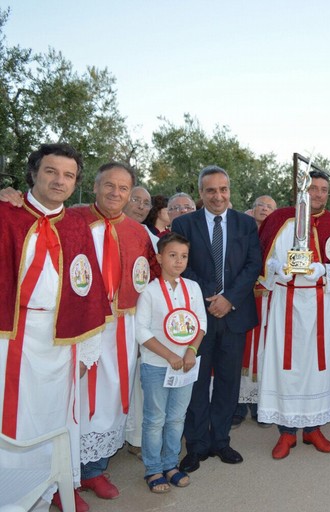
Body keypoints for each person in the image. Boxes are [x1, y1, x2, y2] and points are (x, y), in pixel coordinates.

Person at [0, 143, 110, 512]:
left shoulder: (77, 224)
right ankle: (10, 495)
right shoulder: (6, 213)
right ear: (33, 173)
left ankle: (55, 488)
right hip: (12, 335)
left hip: (62, 339)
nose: (59, 181)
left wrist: (89, 352)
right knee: (11, 419)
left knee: (57, 419)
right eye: (51, 171)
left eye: (68, 175)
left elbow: (89, 289)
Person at [71, 162, 160, 504]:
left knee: (110, 395)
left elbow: (152, 276)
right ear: (94, 186)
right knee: (74, 397)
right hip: (79, 324)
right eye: (109, 185)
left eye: (123, 188)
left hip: (121, 325)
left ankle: (94, 469)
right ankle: (65, 475)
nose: (116, 193)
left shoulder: (138, 233)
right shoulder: (73, 220)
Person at [258, 171, 330, 459]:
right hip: (284, 305)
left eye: (323, 190)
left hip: (322, 306)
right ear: (301, 190)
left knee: (318, 367)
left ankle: (313, 428)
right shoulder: (279, 219)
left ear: (328, 194)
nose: (317, 194)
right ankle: (286, 433)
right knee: (284, 367)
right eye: (312, 188)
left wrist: (324, 270)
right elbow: (261, 259)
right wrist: (278, 267)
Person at [172, 165, 262, 473]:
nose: (218, 195)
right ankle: (196, 445)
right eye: (211, 190)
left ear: (229, 191)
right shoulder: (184, 223)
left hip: (234, 314)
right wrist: (212, 296)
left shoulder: (245, 224)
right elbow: (180, 264)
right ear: (200, 193)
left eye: (223, 189)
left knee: (228, 380)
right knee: (195, 382)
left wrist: (229, 299)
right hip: (198, 315)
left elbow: (253, 265)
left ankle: (221, 440)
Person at [135, 232, 206, 493]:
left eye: (184, 256)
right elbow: (141, 330)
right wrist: (169, 355)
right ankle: (153, 469)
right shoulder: (150, 291)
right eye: (172, 255)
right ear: (159, 257)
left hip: (186, 365)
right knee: (155, 419)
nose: (178, 261)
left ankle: (171, 464)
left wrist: (190, 351)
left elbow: (201, 324)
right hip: (156, 365)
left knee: (177, 418)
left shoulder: (193, 288)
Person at [234, 194, 278, 428]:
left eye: (269, 206)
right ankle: (238, 406)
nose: (264, 209)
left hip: (268, 300)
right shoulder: (240, 232)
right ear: (252, 209)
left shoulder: (278, 236)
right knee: (240, 351)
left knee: (263, 352)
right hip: (243, 298)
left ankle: (262, 404)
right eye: (260, 205)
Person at [122, 185, 155, 457]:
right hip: (111, 319)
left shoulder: (149, 237)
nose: (142, 206)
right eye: (136, 200)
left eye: (146, 202)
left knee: (138, 379)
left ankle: (136, 436)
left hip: (141, 316)